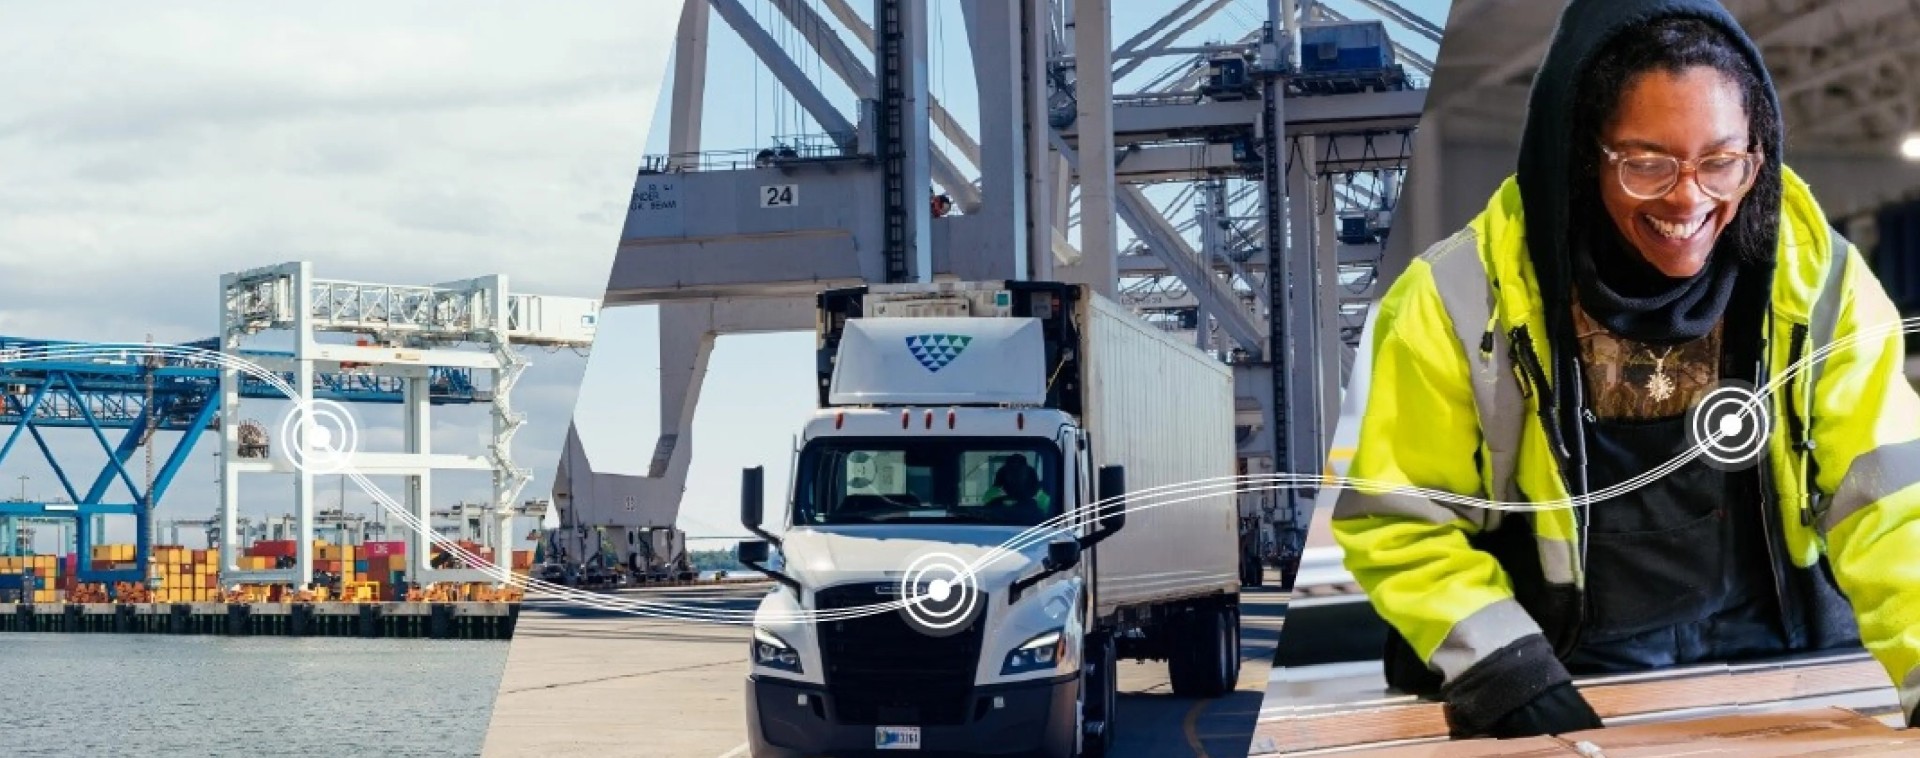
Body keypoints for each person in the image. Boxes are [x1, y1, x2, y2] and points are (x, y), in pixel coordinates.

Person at [1332, 0, 1920, 740]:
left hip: (1786, 665)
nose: (1688, 196)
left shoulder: (1821, 282)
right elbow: (1400, 519)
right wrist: (1503, 669)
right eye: (1646, 163)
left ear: (1757, 153)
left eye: (1721, 161)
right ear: (1585, 152)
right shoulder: (1455, 298)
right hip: (1564, 673)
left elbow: (1891, 503)